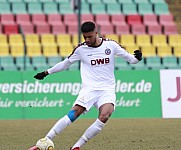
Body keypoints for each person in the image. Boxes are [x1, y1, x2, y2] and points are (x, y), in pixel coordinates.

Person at [29, 21, 142, 150]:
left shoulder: (111, 45)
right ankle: (45, 140)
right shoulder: (81, 50)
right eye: (85, 37)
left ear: (96, 33)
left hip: (107, 89)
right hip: (89, 89)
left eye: (90, 37)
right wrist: (46, 73)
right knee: (74, 113)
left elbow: (130, 59)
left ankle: (76, 147)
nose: (87, 40)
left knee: (105, 115)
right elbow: (65, 64)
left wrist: (137, 58)